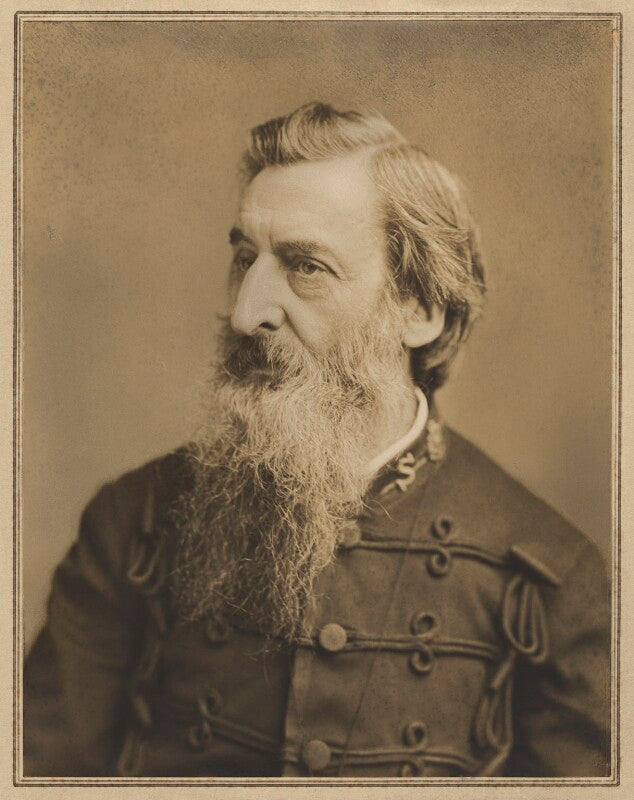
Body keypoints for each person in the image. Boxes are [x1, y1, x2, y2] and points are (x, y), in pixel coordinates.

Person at [23, 101, 611, 778]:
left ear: (419, 310)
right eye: (245, 258)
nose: (246, 313)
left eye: (306, 268)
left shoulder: (551, 577)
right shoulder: (134, 524)